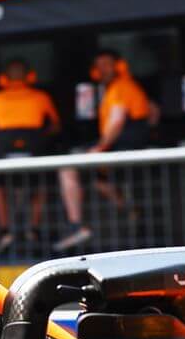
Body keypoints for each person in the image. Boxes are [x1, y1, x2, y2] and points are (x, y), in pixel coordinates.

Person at [56, 50, 151, 252]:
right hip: (122, 151)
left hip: (123, 151)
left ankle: (77, 227)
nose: (102, 70)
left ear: (119, 66)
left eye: (107, 64)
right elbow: (154, 112)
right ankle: (132, 210)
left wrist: (99, 148)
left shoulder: (121, 87)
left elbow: (116, 122)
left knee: (68, 169)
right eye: (98, 66)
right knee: (98, 180)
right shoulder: (118, 88)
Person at [0, 59, 60, 254]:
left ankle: (5, 231)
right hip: (35, 146)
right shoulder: (42, 97)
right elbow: (55, 125)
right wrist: (42, 138)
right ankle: (33, 229)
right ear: (31, 77)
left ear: (3, 79)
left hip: (3, 148)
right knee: (39, 186)